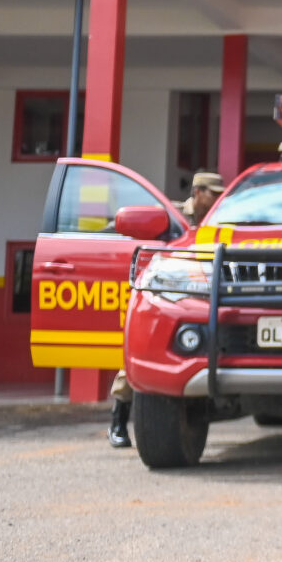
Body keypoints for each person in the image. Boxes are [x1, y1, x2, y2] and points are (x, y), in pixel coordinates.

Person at [107, 169, 226, 448]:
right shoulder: (174, 218)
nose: (217, 199)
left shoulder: (216, 222)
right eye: (213, 194)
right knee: (139, 358)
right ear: (198, 193)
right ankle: (118, 420)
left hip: (200, 294)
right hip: (163, 295)